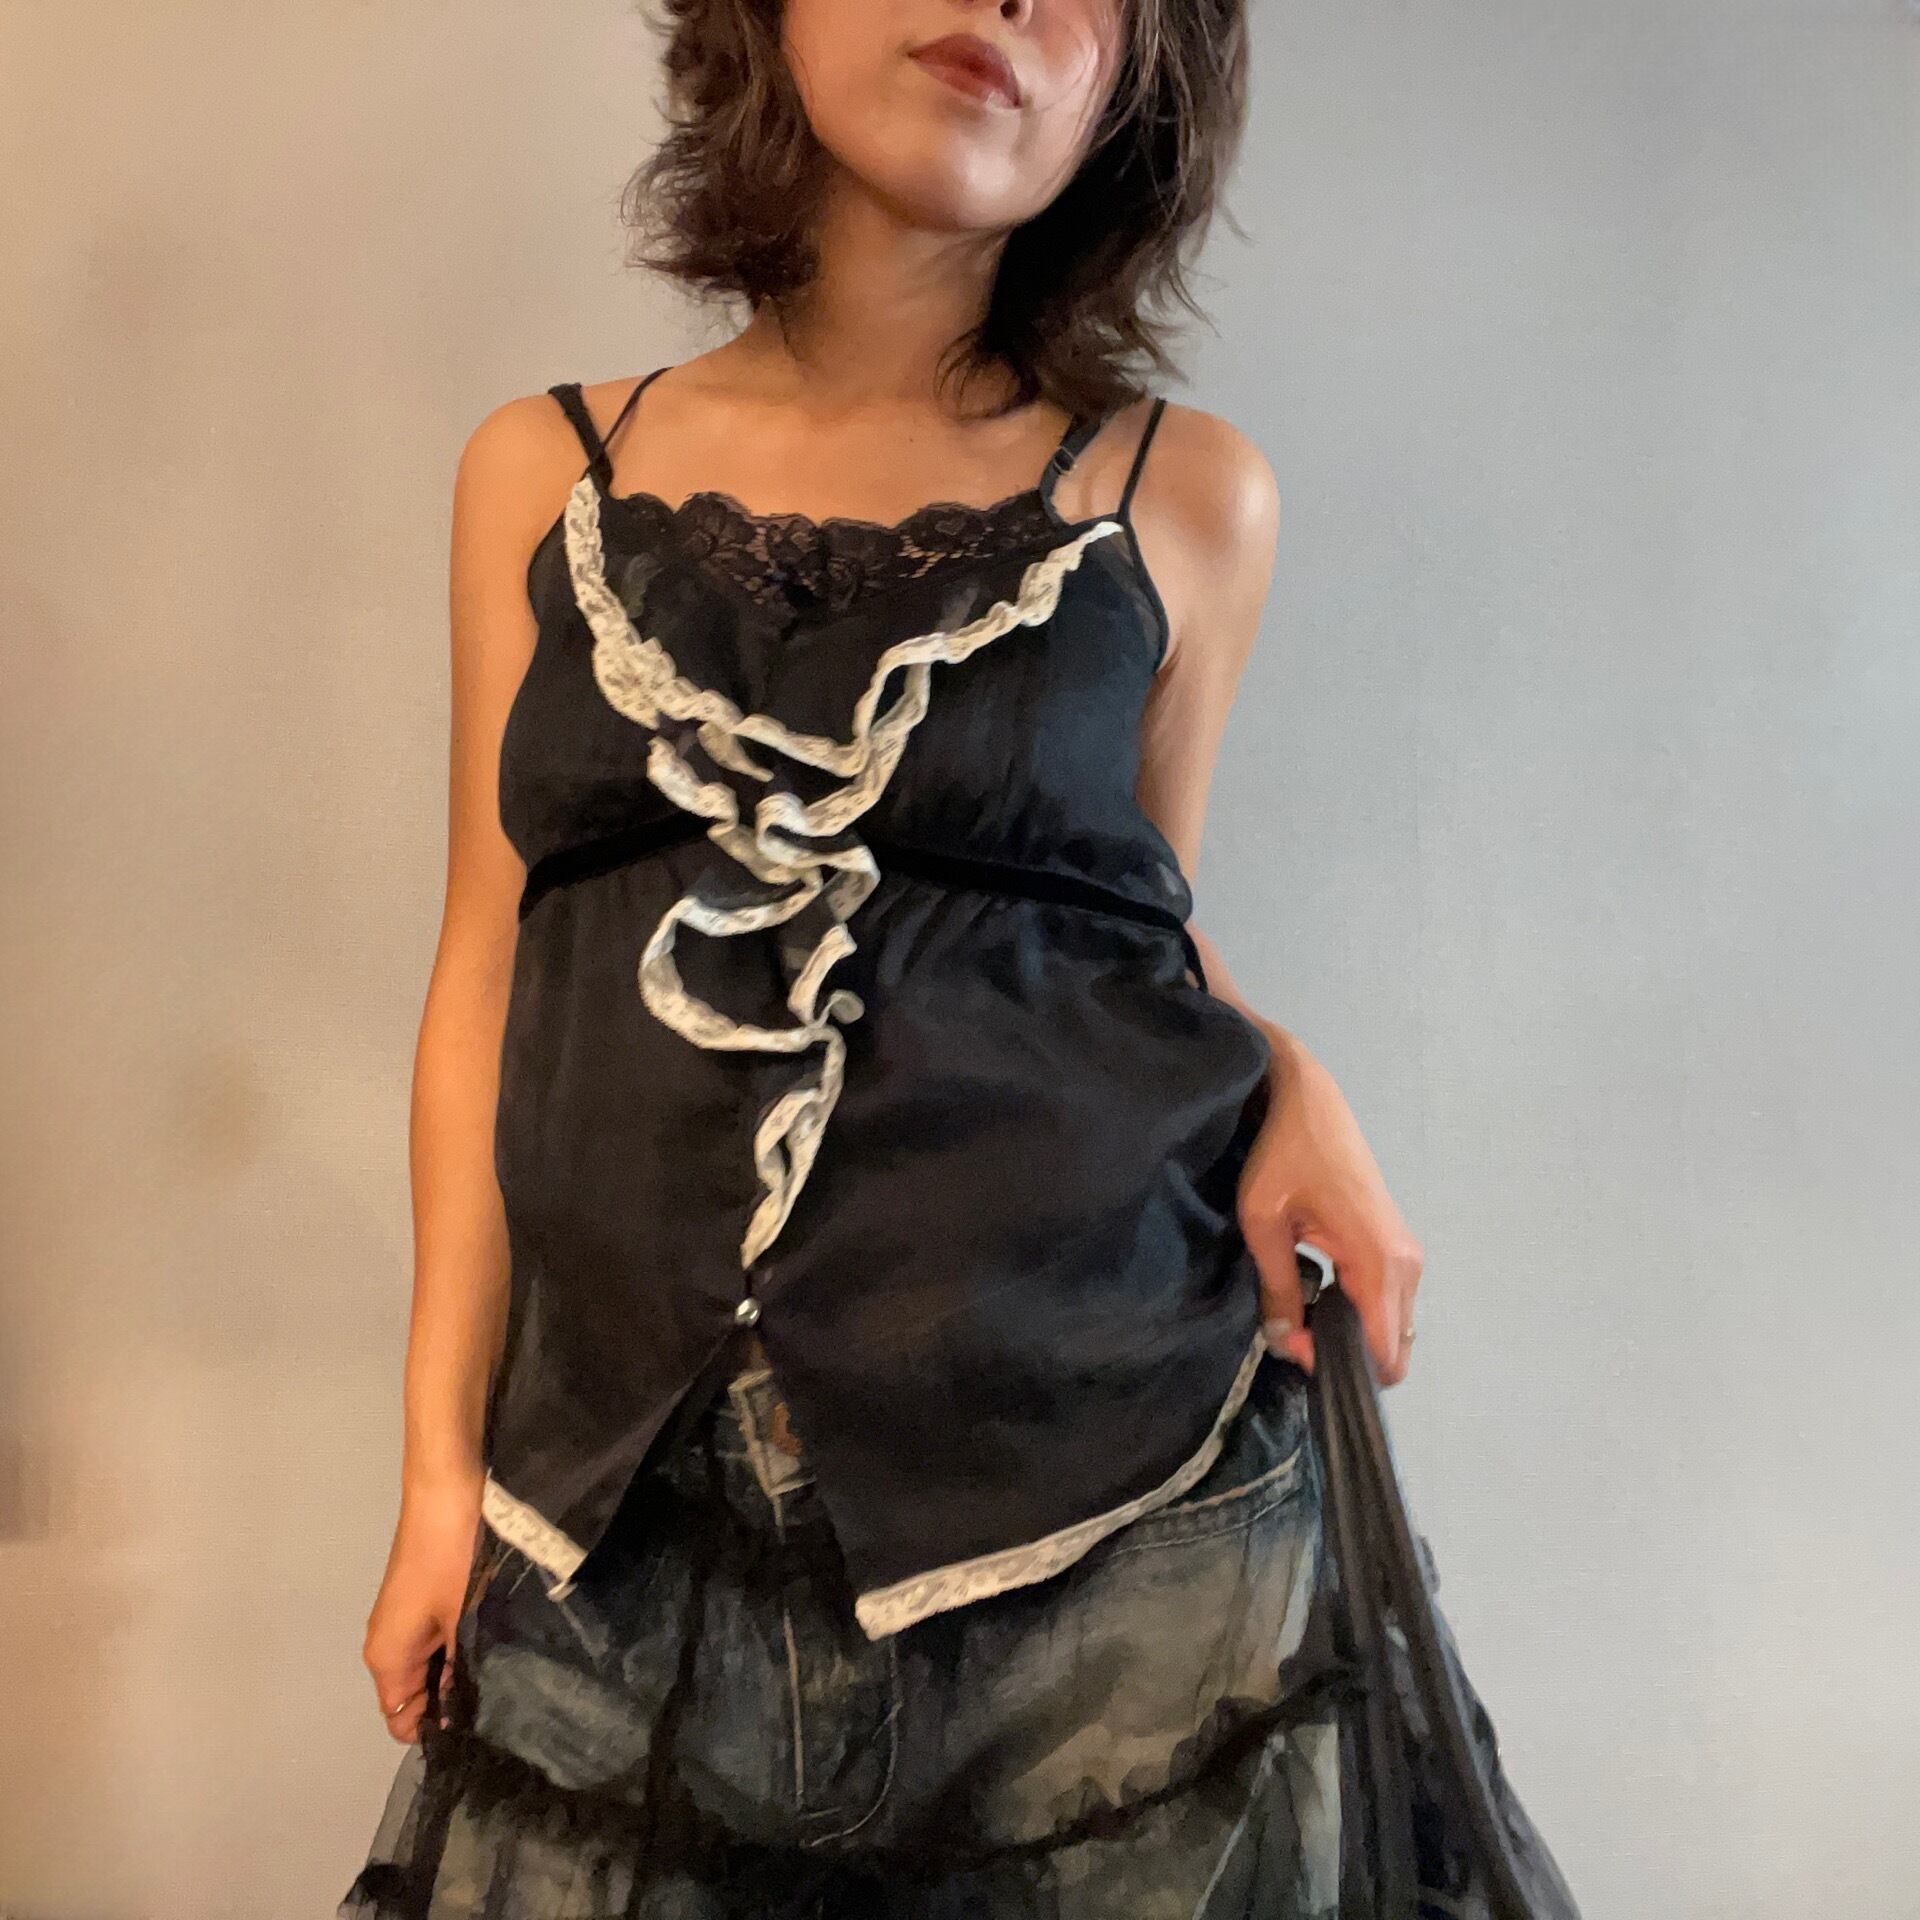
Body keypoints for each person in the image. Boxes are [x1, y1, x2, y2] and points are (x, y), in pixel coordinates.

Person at [340, 2, 1425, 1913]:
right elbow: (484, 980)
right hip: (609, 1506)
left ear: (1135, 86)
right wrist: (438, 1478)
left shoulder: (1187, 495)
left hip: (1115, 1515)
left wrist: (1292, 1073)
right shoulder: (542, 471)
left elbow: (1125, 924)